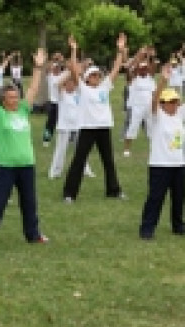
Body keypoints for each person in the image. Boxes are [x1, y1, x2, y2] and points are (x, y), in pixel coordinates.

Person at [0, 51, 49, 250]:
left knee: (29, 204)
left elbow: (33, 88)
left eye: (16, 96)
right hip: (6, 166)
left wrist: (38, 68)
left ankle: (33, 235)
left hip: (27, 164)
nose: (15, 100)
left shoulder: (24, 110)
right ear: (3, 100)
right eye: (10, 97)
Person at [139, 65, 185, 239]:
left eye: (175, 101)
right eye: (170, 102)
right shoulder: (156, 117)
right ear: (163, 104)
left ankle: (178, 226)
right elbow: (154, 101)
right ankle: (147, 229)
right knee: (156, 198)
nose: (174, 104)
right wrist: (163, 80)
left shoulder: (179, 115)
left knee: (179, 197)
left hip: (178, 164)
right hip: (160, 165)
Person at [62, 34, 126, 202]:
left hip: (104, 127)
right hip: (87, 128)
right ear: (87, 78)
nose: (96, 77)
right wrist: (74, 50)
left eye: (98, 75)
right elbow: (74, 70)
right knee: (79, 160)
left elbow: (116, 69)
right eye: (93, 75)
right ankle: (69, 194)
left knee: (108, 160)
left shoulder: (104, 87)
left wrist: (120, 51)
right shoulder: (82, 88)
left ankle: (113, 190)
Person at [49, 72, 95, 179]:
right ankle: (54, 172)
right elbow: (58, 84)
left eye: (73, 84)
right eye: (68, 84)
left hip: (78, 126)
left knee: (81, 149)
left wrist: (77, 72)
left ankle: (85, 170)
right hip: (64, 127)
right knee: (61, 150)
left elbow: (82, 82)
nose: (71, 86)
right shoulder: (62, 94)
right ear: (65, 84)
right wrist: (69, 72)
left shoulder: (78, 94)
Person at [123, 47, 156, 157]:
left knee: (151, 128)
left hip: (149, 107)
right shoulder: (134, 79)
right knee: (133, 127)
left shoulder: (150, 79)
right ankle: (127, 149)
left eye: (145, 68)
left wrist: (149, 56)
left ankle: (154, 148)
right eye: (142, 69)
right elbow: (130, 69)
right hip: (137, 107)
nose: (144, 70)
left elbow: (152, 67)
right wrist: (140, 55)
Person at [43, 57, 66, 146]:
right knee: (50, 123)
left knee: (64, 121)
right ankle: (46, 139)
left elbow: (69, 68)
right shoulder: (50, 77)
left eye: (58, 68)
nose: (56, 69)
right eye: (55, 68)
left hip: (63, 103)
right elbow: (47, 68)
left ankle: (68, 139)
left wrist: (61, 60)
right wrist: (53, 59)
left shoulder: (63, 75)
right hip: (53, 103)